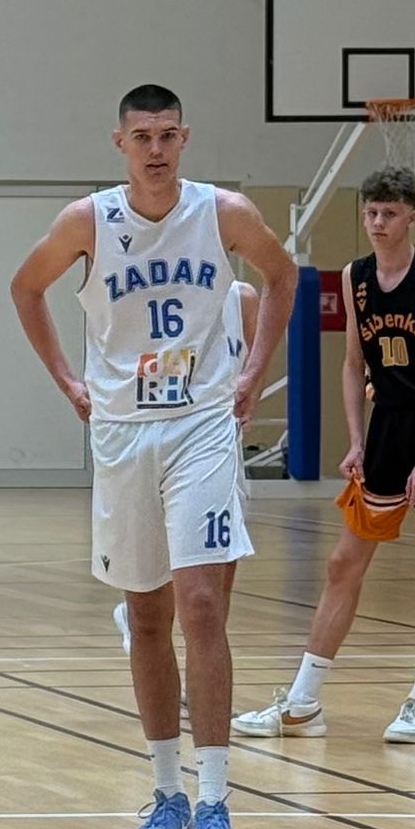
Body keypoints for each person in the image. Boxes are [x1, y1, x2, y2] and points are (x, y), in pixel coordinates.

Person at [10, 83, 296, 829]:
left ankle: (216, 802)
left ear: (185, 138)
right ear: (121, 144)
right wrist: (68, 381)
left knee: (201, 605)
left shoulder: (224, 213)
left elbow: (282, 277)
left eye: (168, 135)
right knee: (145, 616)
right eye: (143, 137)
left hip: (201, 424)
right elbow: (25, 288)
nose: (157, 149)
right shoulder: (88, 221)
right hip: (123, 431)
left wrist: (253, 371)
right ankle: (167, 791)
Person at [234, 166, 415, 745]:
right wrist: (356, 440)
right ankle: (303, 702)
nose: (378, 222)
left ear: (412, 215)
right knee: (344, 562)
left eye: (389, 213)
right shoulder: (355, 277)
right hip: (387, 419)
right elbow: (351, 365)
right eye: (371, 212)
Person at [108, 279, 260, 724]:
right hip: (166, 440)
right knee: (176, 574)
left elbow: (254, 359)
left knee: (219, 573)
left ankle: (199, 679)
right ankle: (141, 622)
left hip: (220, 444)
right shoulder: (162, 293)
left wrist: (248, 389)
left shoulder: (243, 298)